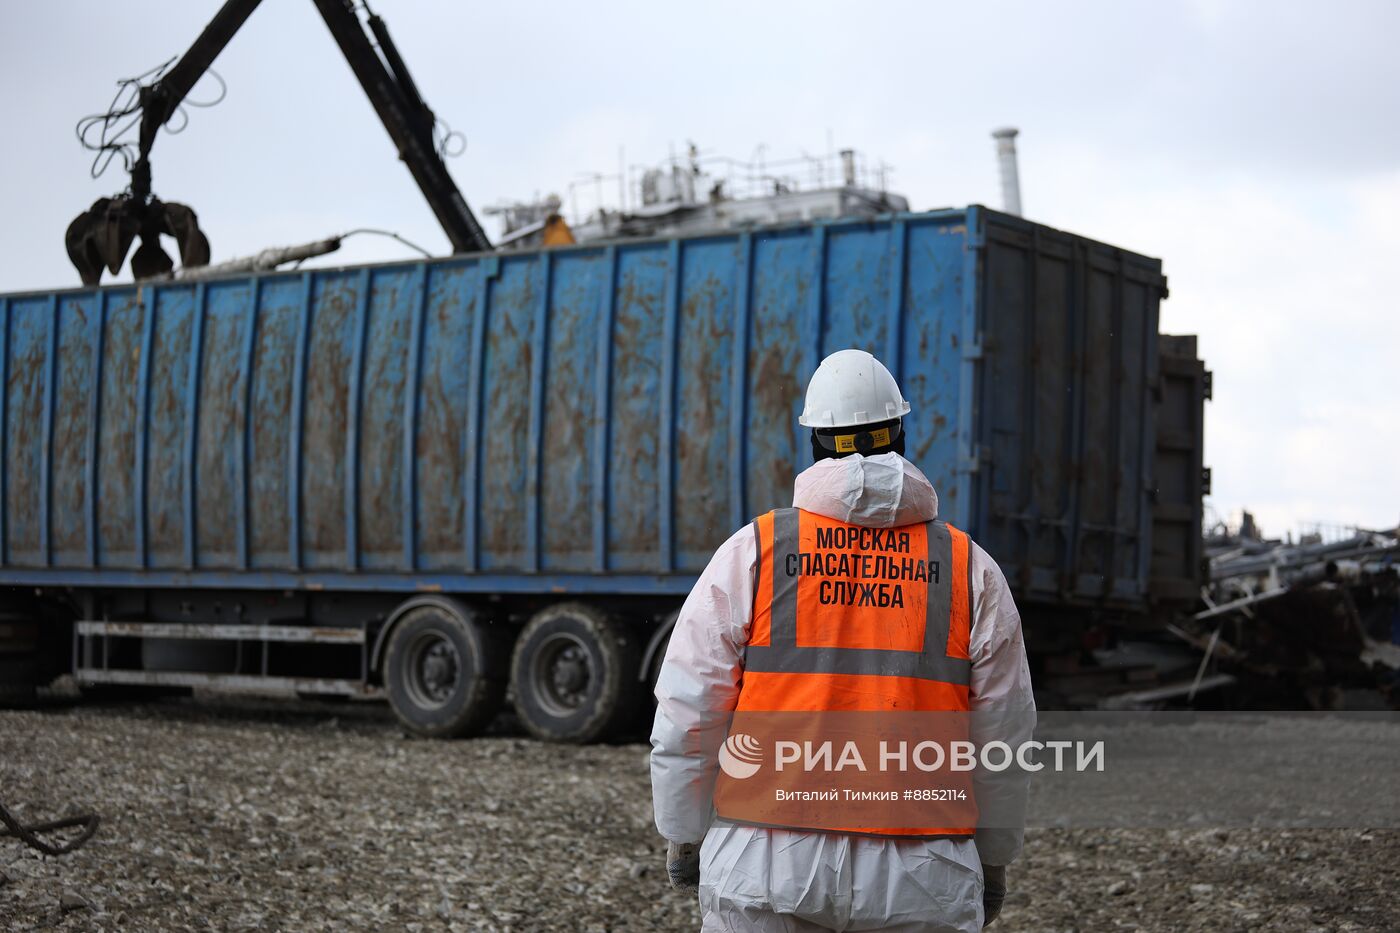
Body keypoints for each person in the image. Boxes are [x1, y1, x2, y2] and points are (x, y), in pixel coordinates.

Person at [650, 349, 1035, 932]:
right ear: (900, 434)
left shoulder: (756, 552)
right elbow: (1004, 731)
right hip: (923, 869)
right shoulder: (968, 568)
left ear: (815, 442)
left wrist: (682, 832)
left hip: (765, 856)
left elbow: (689, 710)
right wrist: (996, 855)